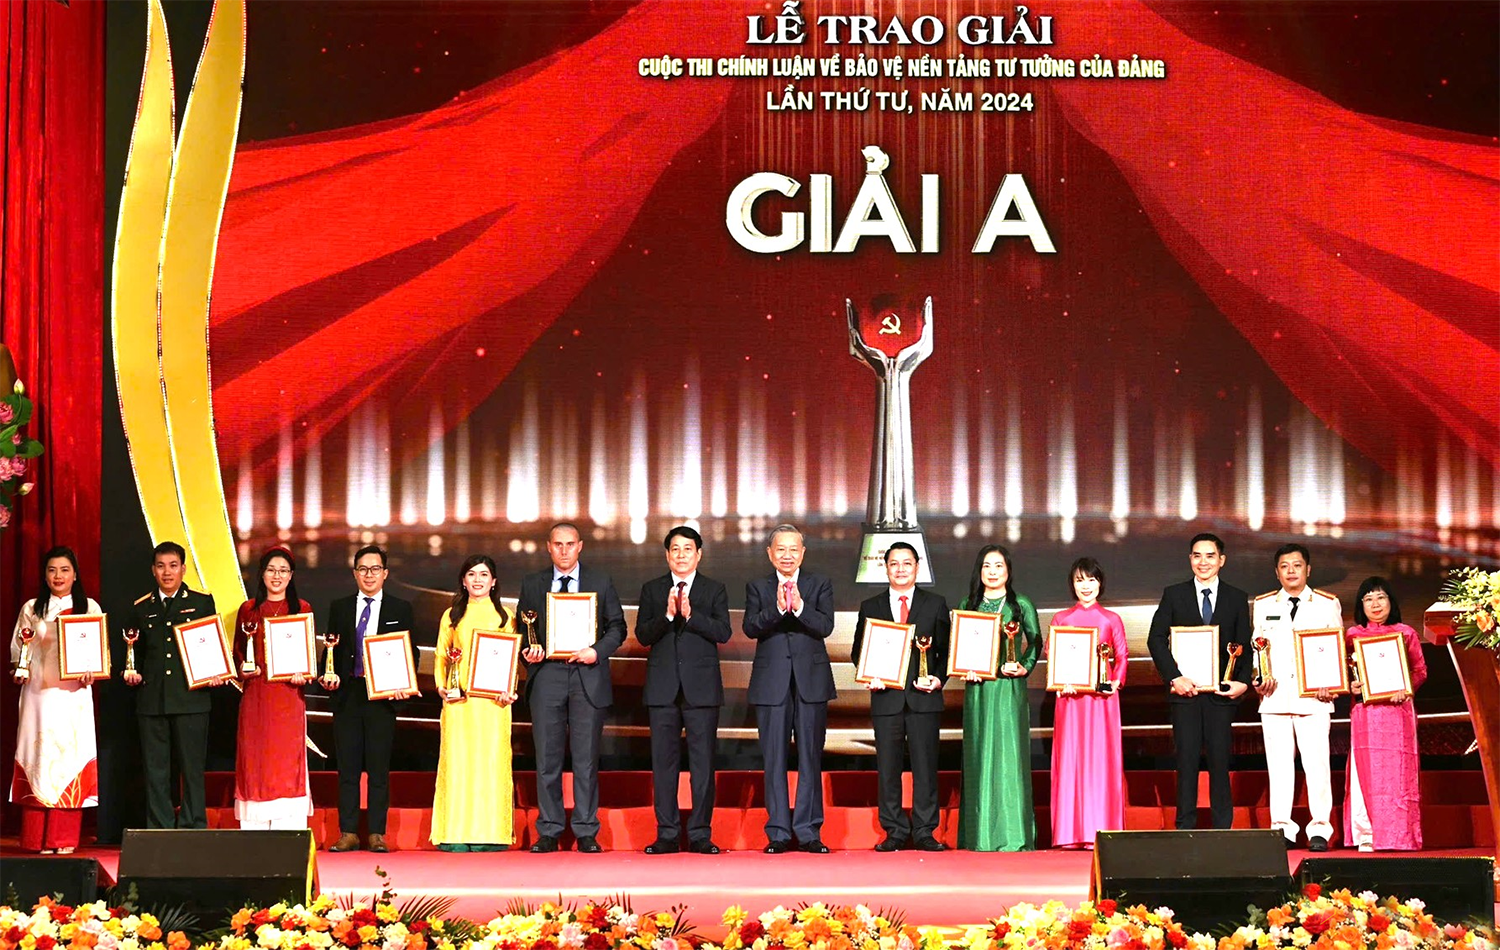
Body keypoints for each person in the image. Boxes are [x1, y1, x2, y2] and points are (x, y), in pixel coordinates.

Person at [516, 522, 627, 853]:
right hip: (547, 676)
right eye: (558, 544)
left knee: (586, 759)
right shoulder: (532, 583)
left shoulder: (600, 581)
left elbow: (617, 627)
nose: (564, 550)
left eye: (570, 544)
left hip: (587, 675)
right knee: (546, 758)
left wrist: (597, 651)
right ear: (548, 547)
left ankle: (586, 830)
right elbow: (524, 631)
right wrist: (529, 651)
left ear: (580, 546)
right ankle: (549, 830)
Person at [635, 526, 732, 854]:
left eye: (687, 549)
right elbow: (643, 635)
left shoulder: (714, 589)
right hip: (662, 690)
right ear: (667, 555)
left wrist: (691, 616)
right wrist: (667, 616)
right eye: (675, 549)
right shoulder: (652, 589)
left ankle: (701, 834)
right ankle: (667, 834)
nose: (681, 555)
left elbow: (723, 632)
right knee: (663, 766)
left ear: (698, 554)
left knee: (703, 766)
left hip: (701, 690)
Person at [1146, 532, 1252, 830]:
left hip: (1221, 694)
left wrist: (1243, 682)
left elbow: (1244, 644)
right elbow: (1155, 639)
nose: (1203, 562)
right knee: (1187, 761)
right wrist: (1174, 677)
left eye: (1210, 556)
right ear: (1190, 559)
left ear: (1222, 560)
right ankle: (1185, 828)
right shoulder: (1174, 594)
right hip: (1185, 694)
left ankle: (1222, 829)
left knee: (1220, 762)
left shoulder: (1236, 597)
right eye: (1197, 555)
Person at [851, 542, 949, 852]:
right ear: (886, 568)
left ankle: (924, 831)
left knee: (925, 769)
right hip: (886, 698)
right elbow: (858, 651)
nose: (901, 569)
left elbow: (946, 651)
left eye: (907, 563)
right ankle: (893, 830)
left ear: (918, 567)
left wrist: (939, 678)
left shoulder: (935, 604)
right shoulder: (871, 606)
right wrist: (869, 673)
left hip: (924, 699)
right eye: (894, 563)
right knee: (888, 770)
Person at [744, 523, 836, 854]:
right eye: (780, 549)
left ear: (803, 553)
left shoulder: (819, 584)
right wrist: (778, 609)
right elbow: (750, 627)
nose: (787, 555)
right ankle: (779, 832)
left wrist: (799, 607)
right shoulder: (757, 587)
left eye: (793, 549)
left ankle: (809, 831)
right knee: (774, 759)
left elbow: (825, 625)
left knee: (810, 757)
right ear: (770, 553)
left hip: (811, 682)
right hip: (772, 684)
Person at [319, 544, 417, 853]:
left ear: (385, 573)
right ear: (355, 573)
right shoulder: (340, 607)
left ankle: (376, 833)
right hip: (348, 695)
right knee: (347, 769)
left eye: (375, 569)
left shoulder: (400, 608)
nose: (369, 574)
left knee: (378, 769)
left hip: (382, 697)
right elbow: (330, 650)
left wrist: (403, 683)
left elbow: (410, 652)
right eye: (363, 569)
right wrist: (327, 675)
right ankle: (348, 832)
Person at [9, 546, 102, 853]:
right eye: (52, 570)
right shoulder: (32, 608)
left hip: (73, 696)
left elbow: (99, 652)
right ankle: (35, 838)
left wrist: (92, 671)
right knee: (38, 756)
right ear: (45, 575)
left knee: (69, 758)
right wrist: (20, 668)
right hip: (38, 695)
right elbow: (19, 649)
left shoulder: (88, 607)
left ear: (75, 575)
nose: (58, 576)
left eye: (64, 570)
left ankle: (62, 838)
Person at [122, 541, 220, 829]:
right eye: (161, 566)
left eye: (173, 566)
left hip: (191, 698)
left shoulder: (201, 603)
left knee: (192, 770)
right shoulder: (142, 607)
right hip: (152, 699)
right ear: (153, 570)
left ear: (183, 569)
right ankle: (160, 828)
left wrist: (215, 671)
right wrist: (130, 672)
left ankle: (193, 826)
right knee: (156, 770)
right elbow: (135, 654)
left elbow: (211, 646)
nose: (167, 572)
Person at [1251, 543, 1342, 850]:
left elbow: (1335, 650)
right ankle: (1282, 829)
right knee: (1279, 768)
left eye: (1297, 565)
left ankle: (1320, 829)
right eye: (1285, 566)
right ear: (1277, 572)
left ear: (1308, 570)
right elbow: (1257, 649)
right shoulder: (1263, 604)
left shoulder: (1327, 604)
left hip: (1315, 698)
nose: (1291, 571)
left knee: (1317, 766)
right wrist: (1258, 679)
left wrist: (1332, 684)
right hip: (1275, 698)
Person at [431, 554, 519, 851]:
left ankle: (491, 834)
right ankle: (454, 834)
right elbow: (442, 655)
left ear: (494, 582)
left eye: (483, 574)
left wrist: (508, 690)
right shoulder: (451, 616)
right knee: (458, 763)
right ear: (463, 581)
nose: (477, 580)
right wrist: (442, 687)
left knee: (490, 764)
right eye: (471, 574)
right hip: (459, 703)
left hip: (493, 705)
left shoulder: (505, 617)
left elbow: (510, 661)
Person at [957, 544, 1038, 852]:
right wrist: (964, 667)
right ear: (979, 571)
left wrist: (1024, 665)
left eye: (998, 566)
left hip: (1008, 689)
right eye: (987, 566)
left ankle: (1013, 834)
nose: (992, 572)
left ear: (1008, 570)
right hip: (978, 689)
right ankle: (979, 835)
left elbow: (1036, 641)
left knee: (1009, 756)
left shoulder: (1021, 604)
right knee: (979, 754)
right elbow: (958, 644)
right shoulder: (969, 604)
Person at [1047, 557, 1127, 849]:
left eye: (1091, 580)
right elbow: (1053, 655)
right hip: (1071, 701)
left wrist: (1116, 681)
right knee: (1071, 759)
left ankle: (1101, 830)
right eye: (1080, 580)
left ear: (1100, 583)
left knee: (1101, 762)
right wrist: (1061, 680)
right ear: (1072, 584)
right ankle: (1068, 834)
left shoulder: (1111, 619)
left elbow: (1122, 656)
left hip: (1102, 703)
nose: (1086, 586)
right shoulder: (1061, 619)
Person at [232, 546, 313, 830]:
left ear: (291, 576)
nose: (277, 576)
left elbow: (307, 656)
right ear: (262, 574)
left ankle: (288, 829)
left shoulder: (302, 609)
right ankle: (254, 831)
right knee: (256, 759)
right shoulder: (248, 610)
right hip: (257, 697)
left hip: (289, 698)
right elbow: (238, 653)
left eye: (283, 571)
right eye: (271, 570)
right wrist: (242, 668)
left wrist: (304, 674)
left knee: (286, 761)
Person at [1344, 577, 1427, 852]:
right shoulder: (1352, 636)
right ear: (1361, 606)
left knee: (1399, 773)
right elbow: (1343, 674)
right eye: (1368, 599)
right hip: (1365, 714)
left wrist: (1406, 688)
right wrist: (1351, 685)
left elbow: (1419, 670)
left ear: (1391, 601)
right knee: (1365, 771)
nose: (1375, 604)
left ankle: (1401, 834)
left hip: (1398, 713)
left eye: (1381, 597)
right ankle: (1366, 834)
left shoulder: (1406, 633)